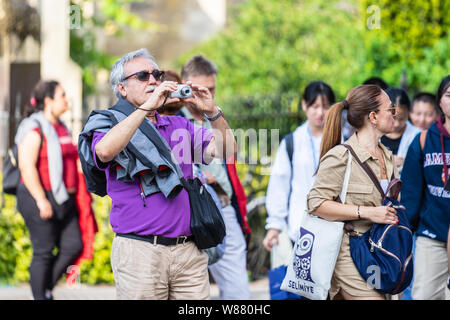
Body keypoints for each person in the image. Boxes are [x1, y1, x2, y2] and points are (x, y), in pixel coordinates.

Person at [79, 48, 236, 300]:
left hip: (189, 253)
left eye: (157, 74)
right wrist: (147, 109)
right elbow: (105, 151)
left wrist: (212, 111)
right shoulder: (108, 123)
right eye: (143, 76)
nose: (153, 80)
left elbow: (227, 149)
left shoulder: (178, 125)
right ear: (122, 88)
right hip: (140, 252)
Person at [307, 84, 400, 300]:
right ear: (373, 117)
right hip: (348, 253)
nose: (395, 115)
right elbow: (316, 203)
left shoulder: (388, 156)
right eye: (390, 110)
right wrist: (367, 212)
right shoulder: (341, 156)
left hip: (381, 254)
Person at [178, 55, 251, 300]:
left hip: (224, 206)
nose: (206, 94)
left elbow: (231, 152)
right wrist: (198, 173)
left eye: (211, 89)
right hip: (191, 212)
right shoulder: (172, 118)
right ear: (184, 85)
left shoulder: (213, 115)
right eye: (200, 89)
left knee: (237, 290)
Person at [15, 80, 83, 300]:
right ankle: (41, 295)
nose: (67, 100)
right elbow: (26, 166)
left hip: (64, 198)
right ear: (48, 101)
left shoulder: (60, 125)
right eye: (62, 95)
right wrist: (41, 200)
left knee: (73, 245)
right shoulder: (34, 127)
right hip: (40, 196)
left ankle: (44, 288)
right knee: (43, 252)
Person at [263, 81, 335, 255]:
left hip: (335, 225)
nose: (320, 113)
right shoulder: (292, 141)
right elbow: (279, 184)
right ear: (304, 105)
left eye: (326, 106)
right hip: (300, 226)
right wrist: (274, 225)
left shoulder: (342, 138)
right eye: (315, 106)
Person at [401, 75, 450, 300]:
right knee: (424, 296)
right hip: (432, 235)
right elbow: (411, 194)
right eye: (449, 95)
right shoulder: (423, 140)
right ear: (440, 101)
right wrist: (405, 236)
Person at [381, 88, 420, 171]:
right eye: (393, 118)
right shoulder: (373, 133)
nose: (397, 124)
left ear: (409, 112)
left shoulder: (417, 135)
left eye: (402, 118)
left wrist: (406, 161)